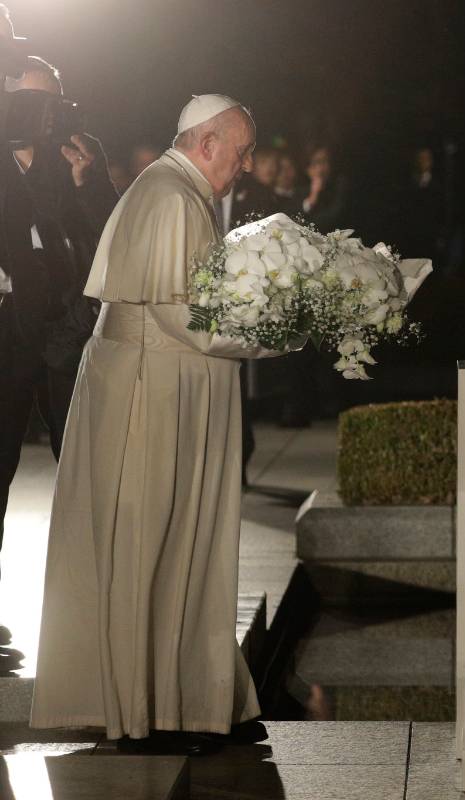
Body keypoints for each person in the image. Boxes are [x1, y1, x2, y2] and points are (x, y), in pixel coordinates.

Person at [30, 94, 296, 753]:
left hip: (167, 389)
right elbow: (191, 320)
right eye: (240, 151)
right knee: (152, 547)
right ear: (206, 143)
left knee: (182, 549)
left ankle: (196, 702)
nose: (247, 164)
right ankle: (145, 715)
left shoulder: (180, 190)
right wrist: (289, 330)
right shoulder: (172, 197)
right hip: (149, 395)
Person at [0, 55, 117, 574]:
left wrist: (89, 182)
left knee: (87, 461)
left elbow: (113, 234)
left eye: (52, 102)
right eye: (29, 102)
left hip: (65, 330)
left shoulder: (68, 163)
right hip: (5, 331)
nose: (43, 115)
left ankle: (100, 590)